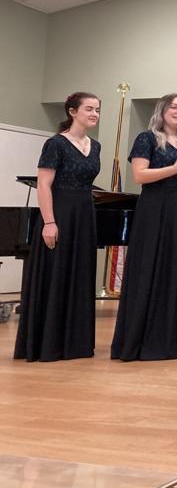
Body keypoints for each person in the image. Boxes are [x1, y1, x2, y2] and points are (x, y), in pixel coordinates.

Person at [111, 93, 177, 361]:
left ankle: (175, 338)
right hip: (155, 210)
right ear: (162, 111)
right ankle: (143, 340)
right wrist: (176, 169)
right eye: (173, 107)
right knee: (150, 270)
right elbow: (140, 176)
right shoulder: (147, 138)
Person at [14, 92, 102, 362]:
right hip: (60, 213)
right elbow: (43, 184)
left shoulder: (95, 146)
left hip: (85, 215)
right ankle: (48, 343)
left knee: (79, 274)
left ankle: (75, 343)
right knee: (56, 273)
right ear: (72, 111)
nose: (95, 114)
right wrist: (49, 222)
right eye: (89, 109)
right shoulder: (56, 144)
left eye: (97, 110)